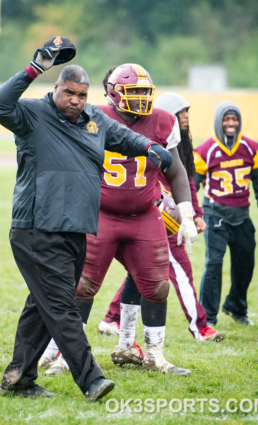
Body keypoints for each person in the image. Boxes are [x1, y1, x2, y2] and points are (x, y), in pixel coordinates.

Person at [0, 39, 173, 401]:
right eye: (69, 92)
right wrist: (35, 67)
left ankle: (18, 378)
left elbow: (125, 137)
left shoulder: (94, 120)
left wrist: (151, 148)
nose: (76, 100)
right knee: (61, 307)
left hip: (76, 230)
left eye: (82, 94)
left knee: (41, 307)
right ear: (55, 89)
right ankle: (91, 379)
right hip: (38, 229)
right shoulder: (31, 115)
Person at [42, 63, 198, 376]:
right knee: (82, 287)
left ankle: (154, 353)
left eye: (144, 91)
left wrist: (187, 212)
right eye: (133, 91)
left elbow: (176, 170)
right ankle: (65, 356)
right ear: (114, 94)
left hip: (144, 216)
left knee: (157, 287)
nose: (140, 98)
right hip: (99, 215)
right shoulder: (94, 116)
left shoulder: (163, 121)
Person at [98, 92, 225, 342]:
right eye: (181, 112)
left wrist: (193, 214)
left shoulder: (177, 141)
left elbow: (184, 180)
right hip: (155, 217)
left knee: (140, 273)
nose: (185, 117)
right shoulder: (144, 138)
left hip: (167, 214)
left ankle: (112, 318)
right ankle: (200, 327)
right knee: (178, 271)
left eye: (187, 111)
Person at [194, 100, 258, 327]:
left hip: (242, 215)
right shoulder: (204, 151)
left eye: (235, 119)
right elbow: (194, 184)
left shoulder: (252, 148)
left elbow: (257, 182)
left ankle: (236, 306)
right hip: (216, 214)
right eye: (226, 119)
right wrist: (193, 212)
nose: (231, 123)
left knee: (246, 264)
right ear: (218, 122)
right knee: (214, 265)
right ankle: (207, 318)